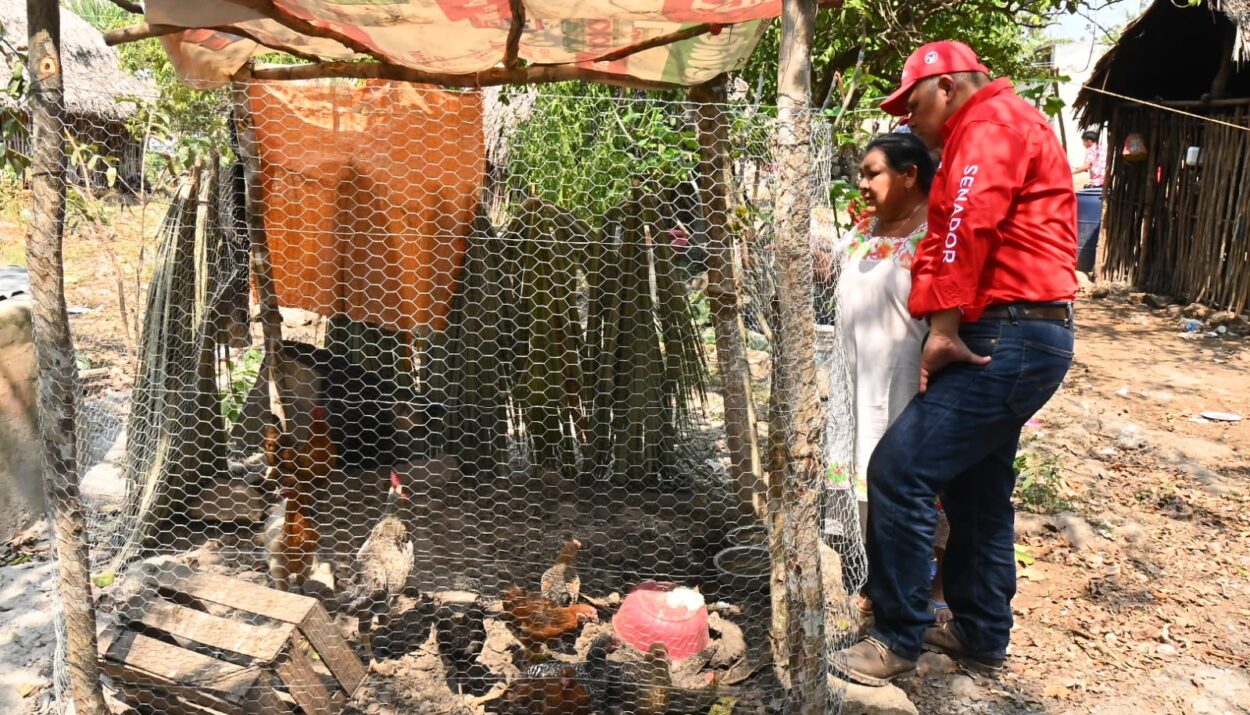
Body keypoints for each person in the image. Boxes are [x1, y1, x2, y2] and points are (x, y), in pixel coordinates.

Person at [834, 40, 1077, 686]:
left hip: (1007, 332)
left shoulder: (989, 126)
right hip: (1023, 331)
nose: (909, 120)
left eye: (913, 105)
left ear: (947, 88)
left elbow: (966, 227)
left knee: (899, 467)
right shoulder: (992, 126)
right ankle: (980, 630)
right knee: (977, 489)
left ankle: (896, 635)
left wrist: (941, 329)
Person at [813, 133, 954, 623]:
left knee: (908, 488)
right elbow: (830, 272)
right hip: (854, 384)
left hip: (904, 389)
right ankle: (876, 582)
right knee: (862, 482)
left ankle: (928, 591)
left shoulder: (934, 237)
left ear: (910, 174)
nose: (863, 184)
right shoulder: (864, 231)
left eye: (872, 173)